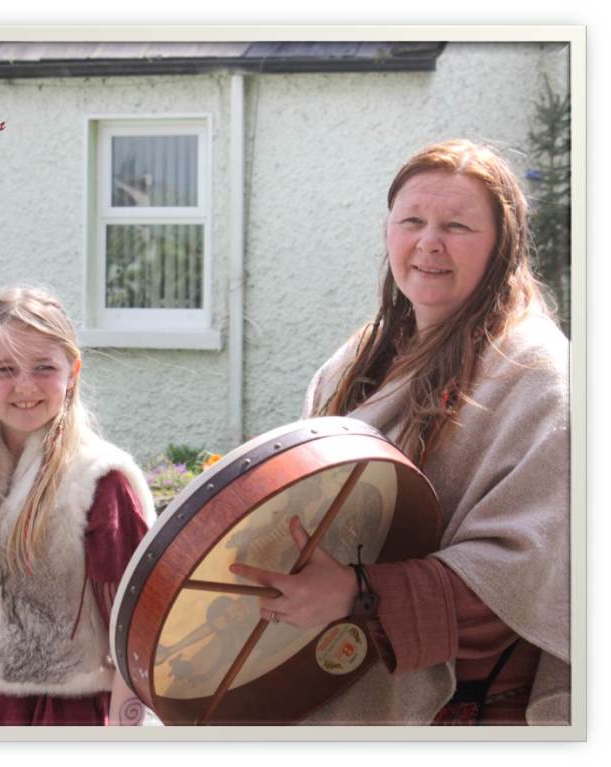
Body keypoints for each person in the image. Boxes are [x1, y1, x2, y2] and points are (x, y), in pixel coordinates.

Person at [230, 139, 570, 726]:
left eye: (457, 225)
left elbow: (524, 578)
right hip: (341, 684)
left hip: (473, 713)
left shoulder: (538, 373)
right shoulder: (356, 361)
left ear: (503, 245)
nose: (429, 242)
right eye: (412, 221)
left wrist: (355, 593)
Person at [0, 286, 155, 726]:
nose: (25, 386)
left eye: (44, 366)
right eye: (4, 369)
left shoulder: (101, 481)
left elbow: (137, 634)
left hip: (67, 718)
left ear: (72, 371)